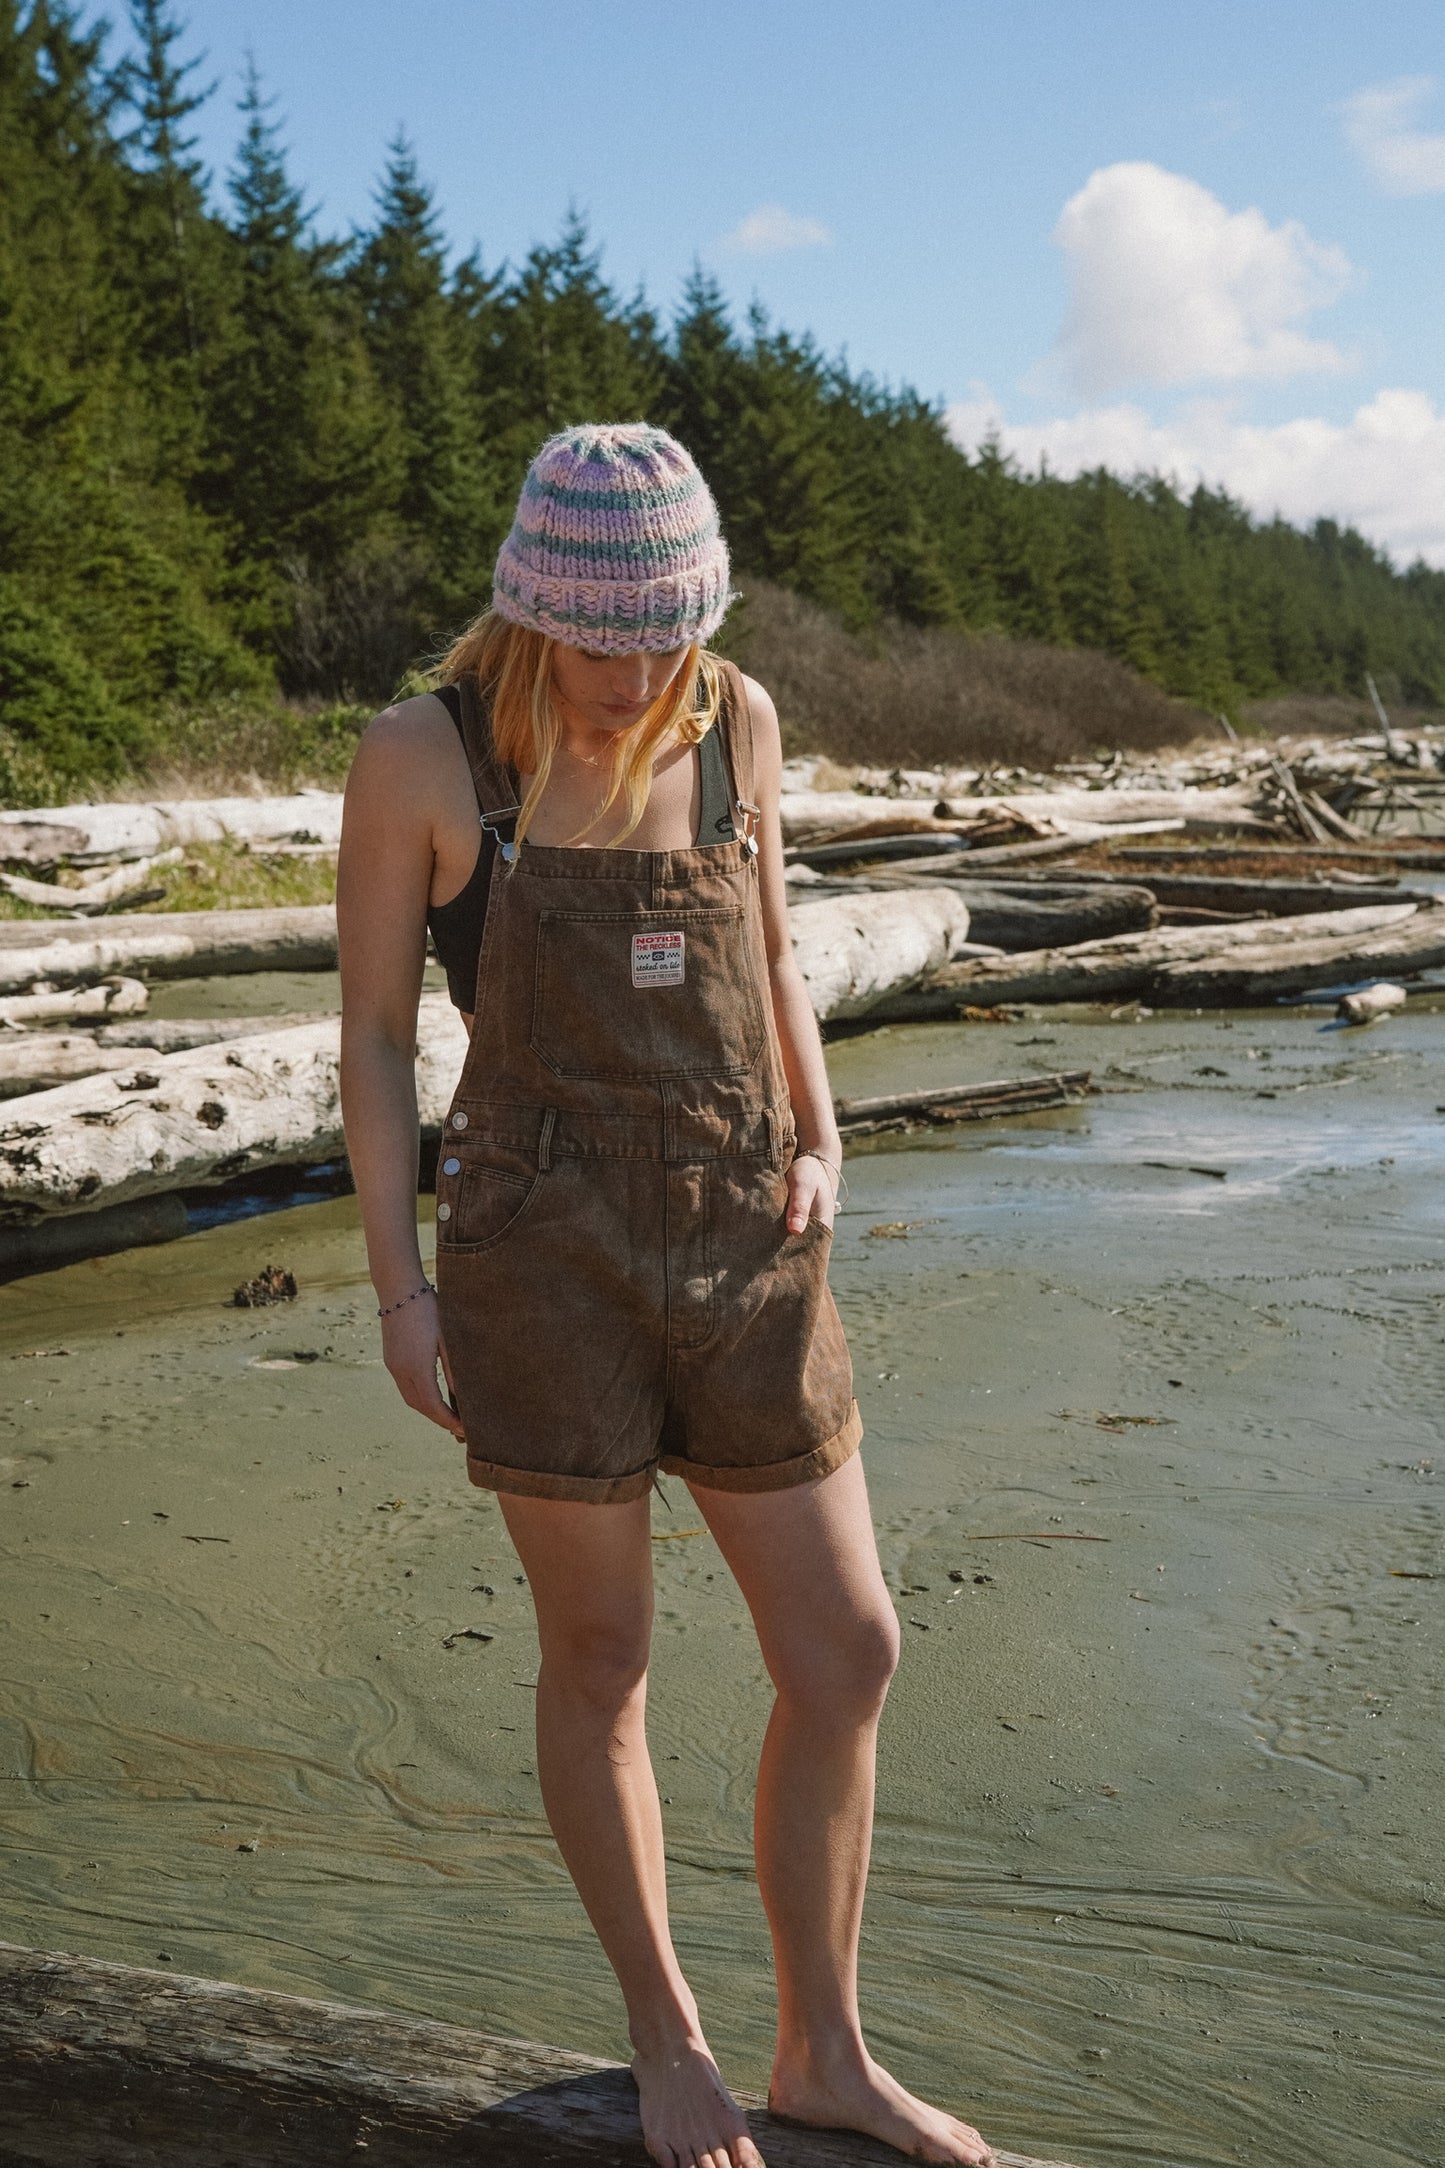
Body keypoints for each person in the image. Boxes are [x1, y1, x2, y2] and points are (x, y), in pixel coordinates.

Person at [338, 422, 994, 2168]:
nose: (635, 677)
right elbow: (380, 1043)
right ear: (527, 608)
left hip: (742, 1237)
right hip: (535, 1259)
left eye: (665, 637)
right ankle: (668, 2035)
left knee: (848, 1646)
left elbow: (771, 947)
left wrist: (827, 1138)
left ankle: (824, 2053)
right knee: (605, 1657)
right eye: (598, 638)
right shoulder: (422, 756)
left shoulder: (740, 722)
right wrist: (401, 1290)